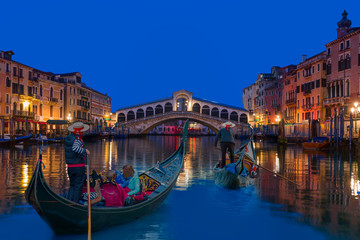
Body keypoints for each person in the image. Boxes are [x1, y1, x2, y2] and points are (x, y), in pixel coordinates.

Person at [65, 122, 91, 203]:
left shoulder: (68, 138)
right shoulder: (78, 139)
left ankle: (69, 202)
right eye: (83, 131)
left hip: (70, 167)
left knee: (72, 185)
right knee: (78, 186)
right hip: (78, 167)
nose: (84, 133)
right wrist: (85, 150)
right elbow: (75, 148)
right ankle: (75, 203)